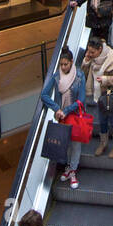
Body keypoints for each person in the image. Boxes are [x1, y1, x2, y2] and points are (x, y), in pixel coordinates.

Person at [40, 47, 86, 188]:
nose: (63, 67)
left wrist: (65, 110)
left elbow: (82, 99)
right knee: (65, 143)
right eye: (61, 64)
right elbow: (44, 95)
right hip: (62, 117)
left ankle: (72, 170)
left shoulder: (79, 76)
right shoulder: (56, 76)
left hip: (75, 116)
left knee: (75, 145)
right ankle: (69, 168)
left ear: (72, 62)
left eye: (66, 64)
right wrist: (56, 108)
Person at [80, 35, 113, 157]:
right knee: (102, 120)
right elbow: (82, 73)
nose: (90, 54)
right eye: (88, 51)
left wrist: (105, 79)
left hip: (112, 96)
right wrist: (86, 61)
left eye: (92, 52)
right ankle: (103, 143)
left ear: (100, 49)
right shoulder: (93, 59)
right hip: (99, 97)